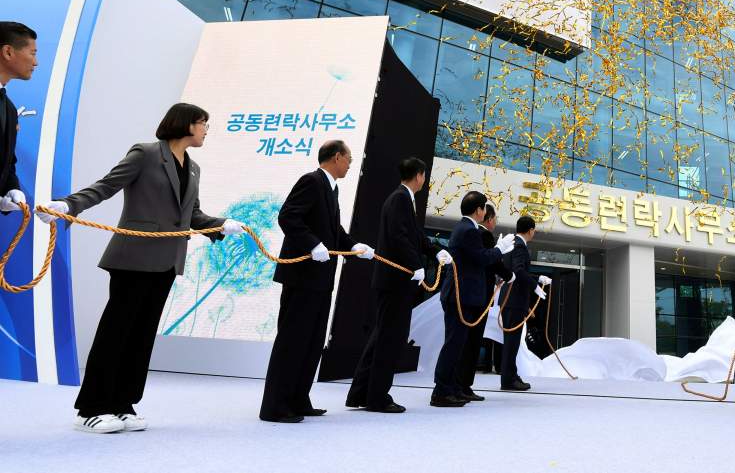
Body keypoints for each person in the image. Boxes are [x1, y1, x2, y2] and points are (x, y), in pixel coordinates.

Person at [36, 102, 244, 433]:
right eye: (204, 123)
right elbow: (106, 186)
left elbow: (192, 217)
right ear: (186, 124)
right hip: (133, 259)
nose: (207, 130)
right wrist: (68, 205)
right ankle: (90, 408)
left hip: (167, 262)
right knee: (115, 333)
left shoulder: (193, 168)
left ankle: (122, 404)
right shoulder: (146, 153)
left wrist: (221, 224)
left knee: (141, 336)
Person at [259, 140, 374, 423]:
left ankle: (298, 398)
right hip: (302, 277)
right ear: (336, 157)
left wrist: (354, 247)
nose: (349, 164)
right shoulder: (311, 181)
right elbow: (288, 216)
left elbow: (334, 231)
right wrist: (312, 245)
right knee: (293, 340)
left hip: (321, 280)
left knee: (311, 343)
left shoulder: (331, 190)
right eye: (348, 159)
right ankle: (275, 406)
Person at [346, 157, 451, 413]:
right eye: (424, 175)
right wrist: (415, 264)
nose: (424, 180)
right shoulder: (400, 199)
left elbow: (414, 236)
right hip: (395, 280)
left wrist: (436, 251)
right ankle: (377, 397)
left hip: (393, 280)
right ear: (418, 175)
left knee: (382, 337)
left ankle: (361, 393)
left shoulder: (405, 200)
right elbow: (398, 236)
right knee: (389, 339)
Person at [431, 192, 514, 407]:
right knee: (453, 345)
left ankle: (452, 388)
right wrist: (499, 249)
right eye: (484, 208)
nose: (486, 213)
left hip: (463, 295)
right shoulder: (469, 230)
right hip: (461, 296)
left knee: (457, 345)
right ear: (478, 210)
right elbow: (481, 259)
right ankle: (441, 392)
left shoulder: (465, 228)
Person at [454, 203, 513, 400]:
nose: (495, 222)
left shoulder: (473, 232)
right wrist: (509, 274)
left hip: (474, 294)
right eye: (495, 218)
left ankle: (461, 385)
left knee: (468, 341)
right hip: (477, 295)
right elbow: (491, 261)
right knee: (471, 341)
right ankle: (462, 385)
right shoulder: (483, 234)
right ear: (488, 218)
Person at [499, 215, 549, 391]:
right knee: (512, 342)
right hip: (514, 300)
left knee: (510, 342)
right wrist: (535, 285)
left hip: (508, 299)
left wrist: (536, 278)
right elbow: (518, 271)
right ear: (530, 230)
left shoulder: (511, 243)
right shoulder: (520, 246)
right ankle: (508, 379)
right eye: (534, 230)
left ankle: (510, 375)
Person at [0, 22, 36, 217]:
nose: (36, 62)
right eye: (32, 53)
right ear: (8, 52)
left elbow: (7, 163)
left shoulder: (10, 109)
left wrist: (11, 189)